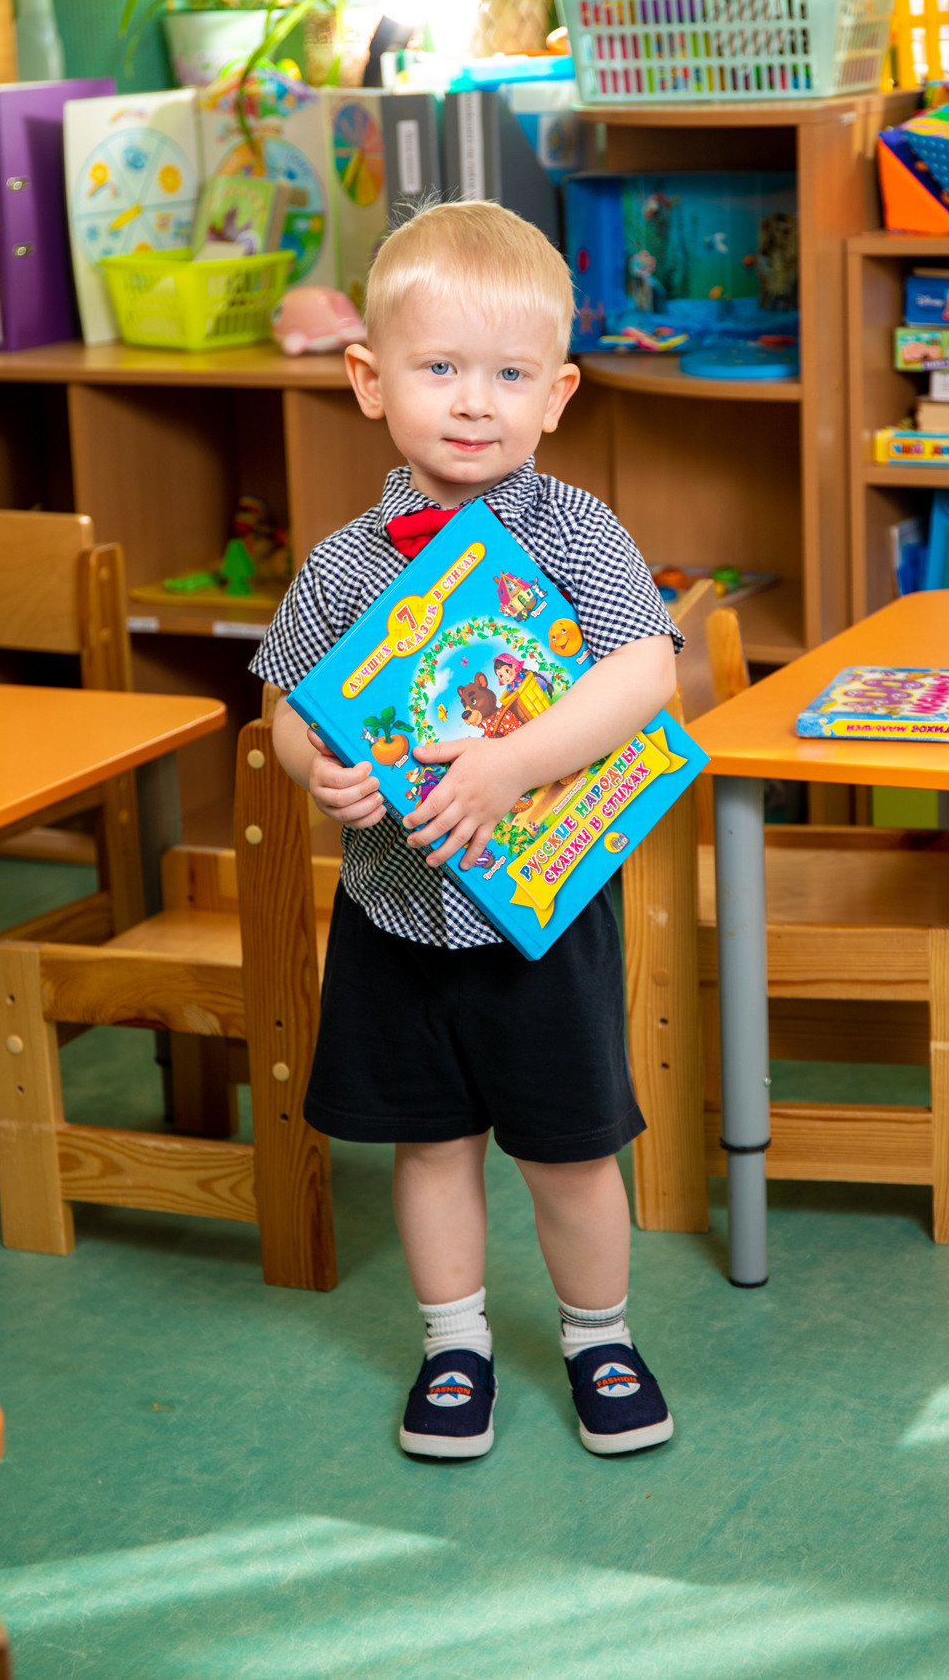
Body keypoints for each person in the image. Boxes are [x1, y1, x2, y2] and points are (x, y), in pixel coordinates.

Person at [254, 201, 683, 1460]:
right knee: (429, 1145)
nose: (472, 403)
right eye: (439, 369)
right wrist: (315, 769)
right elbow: (287, 701)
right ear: (368, 378)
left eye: (507, 376)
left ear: (557, 394)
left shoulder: (575, 532)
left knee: (568, 1151)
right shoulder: (342, 565)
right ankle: (455, 1344)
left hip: (543, 909)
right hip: (395, 907)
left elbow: (643, 674)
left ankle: (597, 1332)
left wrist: (507, 766)